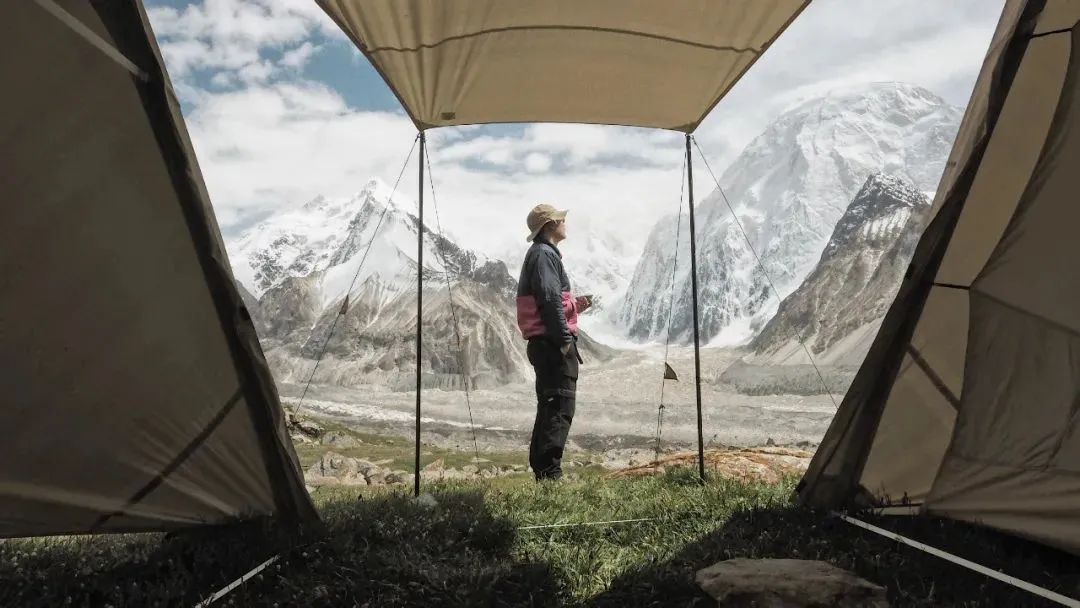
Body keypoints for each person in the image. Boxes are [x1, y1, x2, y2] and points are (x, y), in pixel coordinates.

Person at [516, 203, 592, 481]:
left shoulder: (539, 255)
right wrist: (563, 340)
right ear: (548, 225)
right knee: (560, 407)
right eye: (560, 219)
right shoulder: (545, 255)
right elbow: (548, 300)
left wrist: (573, 306)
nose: (564, 223)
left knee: (550, 406)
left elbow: (549, 302)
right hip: (552, 344)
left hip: (544, 343)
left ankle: (544, 473)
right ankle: (550, 476)